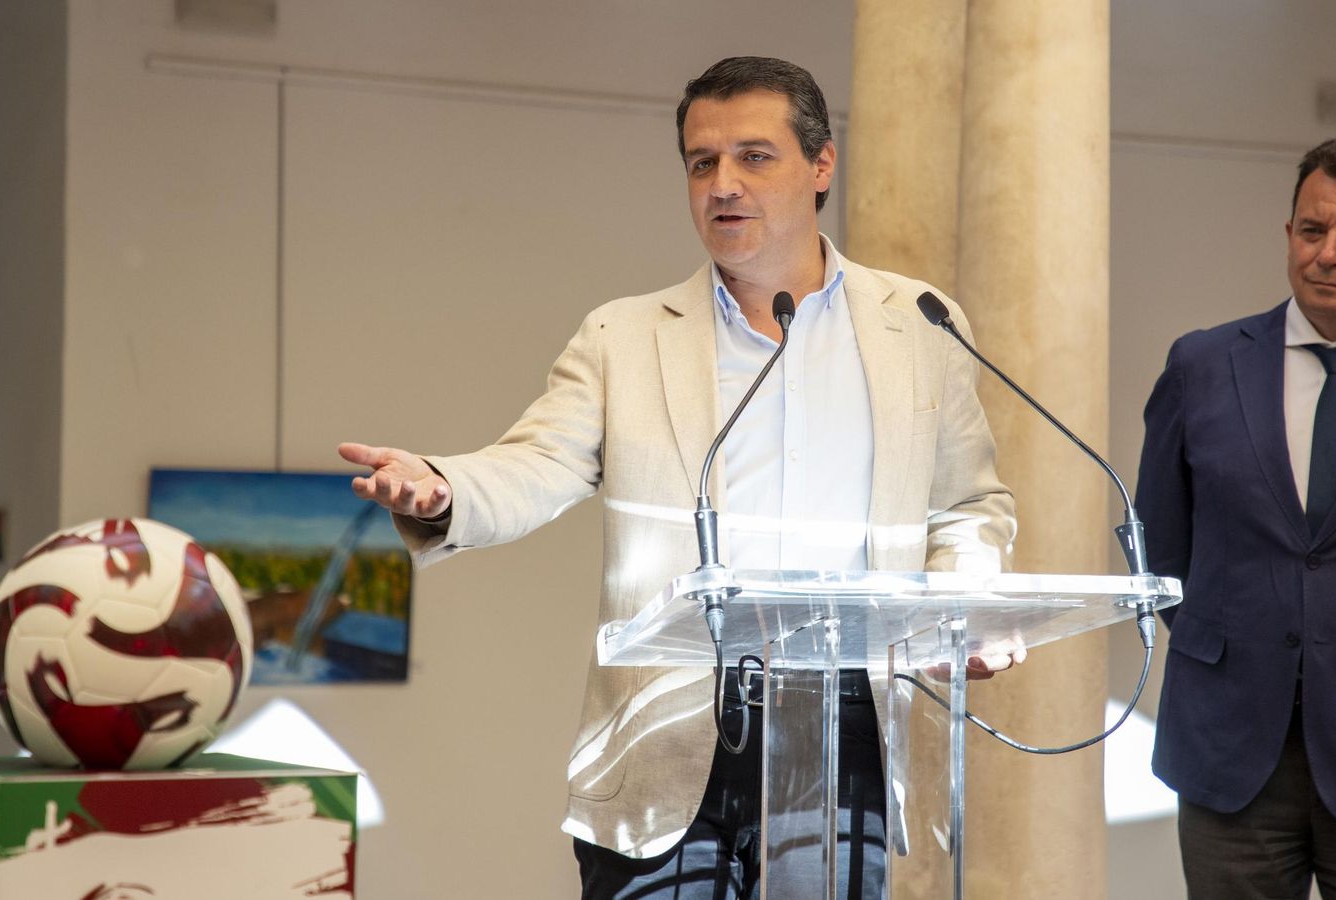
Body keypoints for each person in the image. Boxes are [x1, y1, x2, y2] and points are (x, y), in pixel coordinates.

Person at [340, 56, 1017, 899]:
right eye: (703, 163)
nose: (723, 183)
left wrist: (960, 609)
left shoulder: (918, 325)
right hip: (665, 727)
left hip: (842, 724)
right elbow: (537, 462)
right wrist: (444, 489)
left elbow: (966, 507)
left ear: (821, 165)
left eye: (754, 156)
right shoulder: (626, 336)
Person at [1136, 133, 1336, 899]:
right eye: (1313, 230)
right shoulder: (1202, 366)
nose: (1329, 253)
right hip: (1229, 748)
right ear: (1289, 235)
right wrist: (1240, 646)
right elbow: (1158, 546)